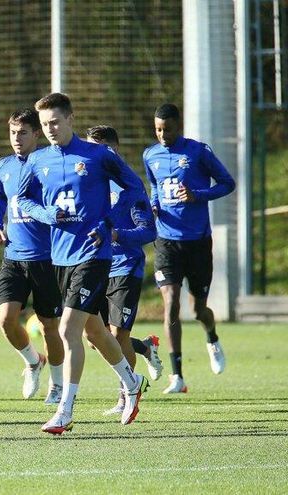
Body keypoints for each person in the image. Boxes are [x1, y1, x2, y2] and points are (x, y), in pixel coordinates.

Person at [15, 93, 148, 434]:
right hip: (59, 255)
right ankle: (132, 383)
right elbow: (24, 200)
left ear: (71, 119)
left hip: (94, 255)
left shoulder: (98, 156)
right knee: (94, 330)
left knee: (68, 330)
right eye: (44, 125)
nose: (50, 130)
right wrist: (47, 214)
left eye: (55, 122)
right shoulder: (37, 160)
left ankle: (65, 409)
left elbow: (134, 186)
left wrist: (109, 225)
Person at [143, 104, 236, 394]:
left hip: (197, 241)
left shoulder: (198, 152)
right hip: (166, 241)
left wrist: (198, 195)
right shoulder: (150, 155)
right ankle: (177, 376)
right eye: (158, 129)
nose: (162, 134)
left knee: (198, 310)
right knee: (171, 302)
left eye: (167, 129)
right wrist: (155, 204)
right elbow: (155, 186)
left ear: (178, 126)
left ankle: (211, 336)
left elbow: (227, 183)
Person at [85, 125, 164, 415]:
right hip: (94, 266)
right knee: (95, 338)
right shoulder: (89, 185)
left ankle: (126, 395)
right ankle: (144, 348)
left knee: (116, 335)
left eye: (98, 149)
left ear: (112, 150)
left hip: (124, 267)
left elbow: (148, 231)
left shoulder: (129, 187)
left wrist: (117, 235)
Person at [0, 109, 64, 403]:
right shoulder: (5, 166)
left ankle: (57, 385)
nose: (16, 139)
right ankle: (33, 361)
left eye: (22, 133)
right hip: (13, 257)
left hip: (47, 259)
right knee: (6, 319)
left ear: (37, 134)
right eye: (12, 133)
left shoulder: (50, 163)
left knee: (49, 327)